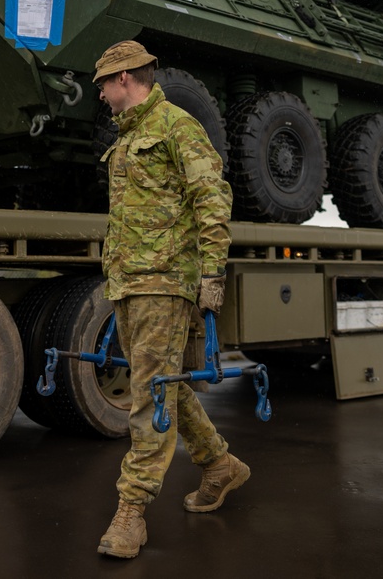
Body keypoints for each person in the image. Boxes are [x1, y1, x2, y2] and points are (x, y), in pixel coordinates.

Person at [93, 40, 250, 559]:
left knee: (149, 393)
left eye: (103, 83)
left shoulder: (177, 126)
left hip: (165, 282)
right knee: (166, 387)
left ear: (125, 79)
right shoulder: (126, 138)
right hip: (129, 284)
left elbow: (212, 198)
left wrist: (211, 276)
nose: (99, 93)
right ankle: (220, 465)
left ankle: (131, 512)